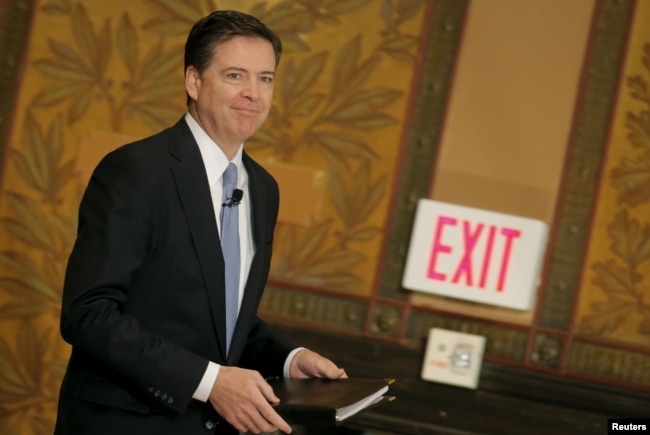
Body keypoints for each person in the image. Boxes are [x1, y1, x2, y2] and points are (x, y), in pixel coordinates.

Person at [54, 10, 346, 435]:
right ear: (193, 81)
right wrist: (209, 382)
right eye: (234, 76)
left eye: (265, 78)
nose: (253, 93)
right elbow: (88, 314)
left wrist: (287, 357)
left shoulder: (264, 189)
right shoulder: (137, 170)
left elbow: (217, 316)